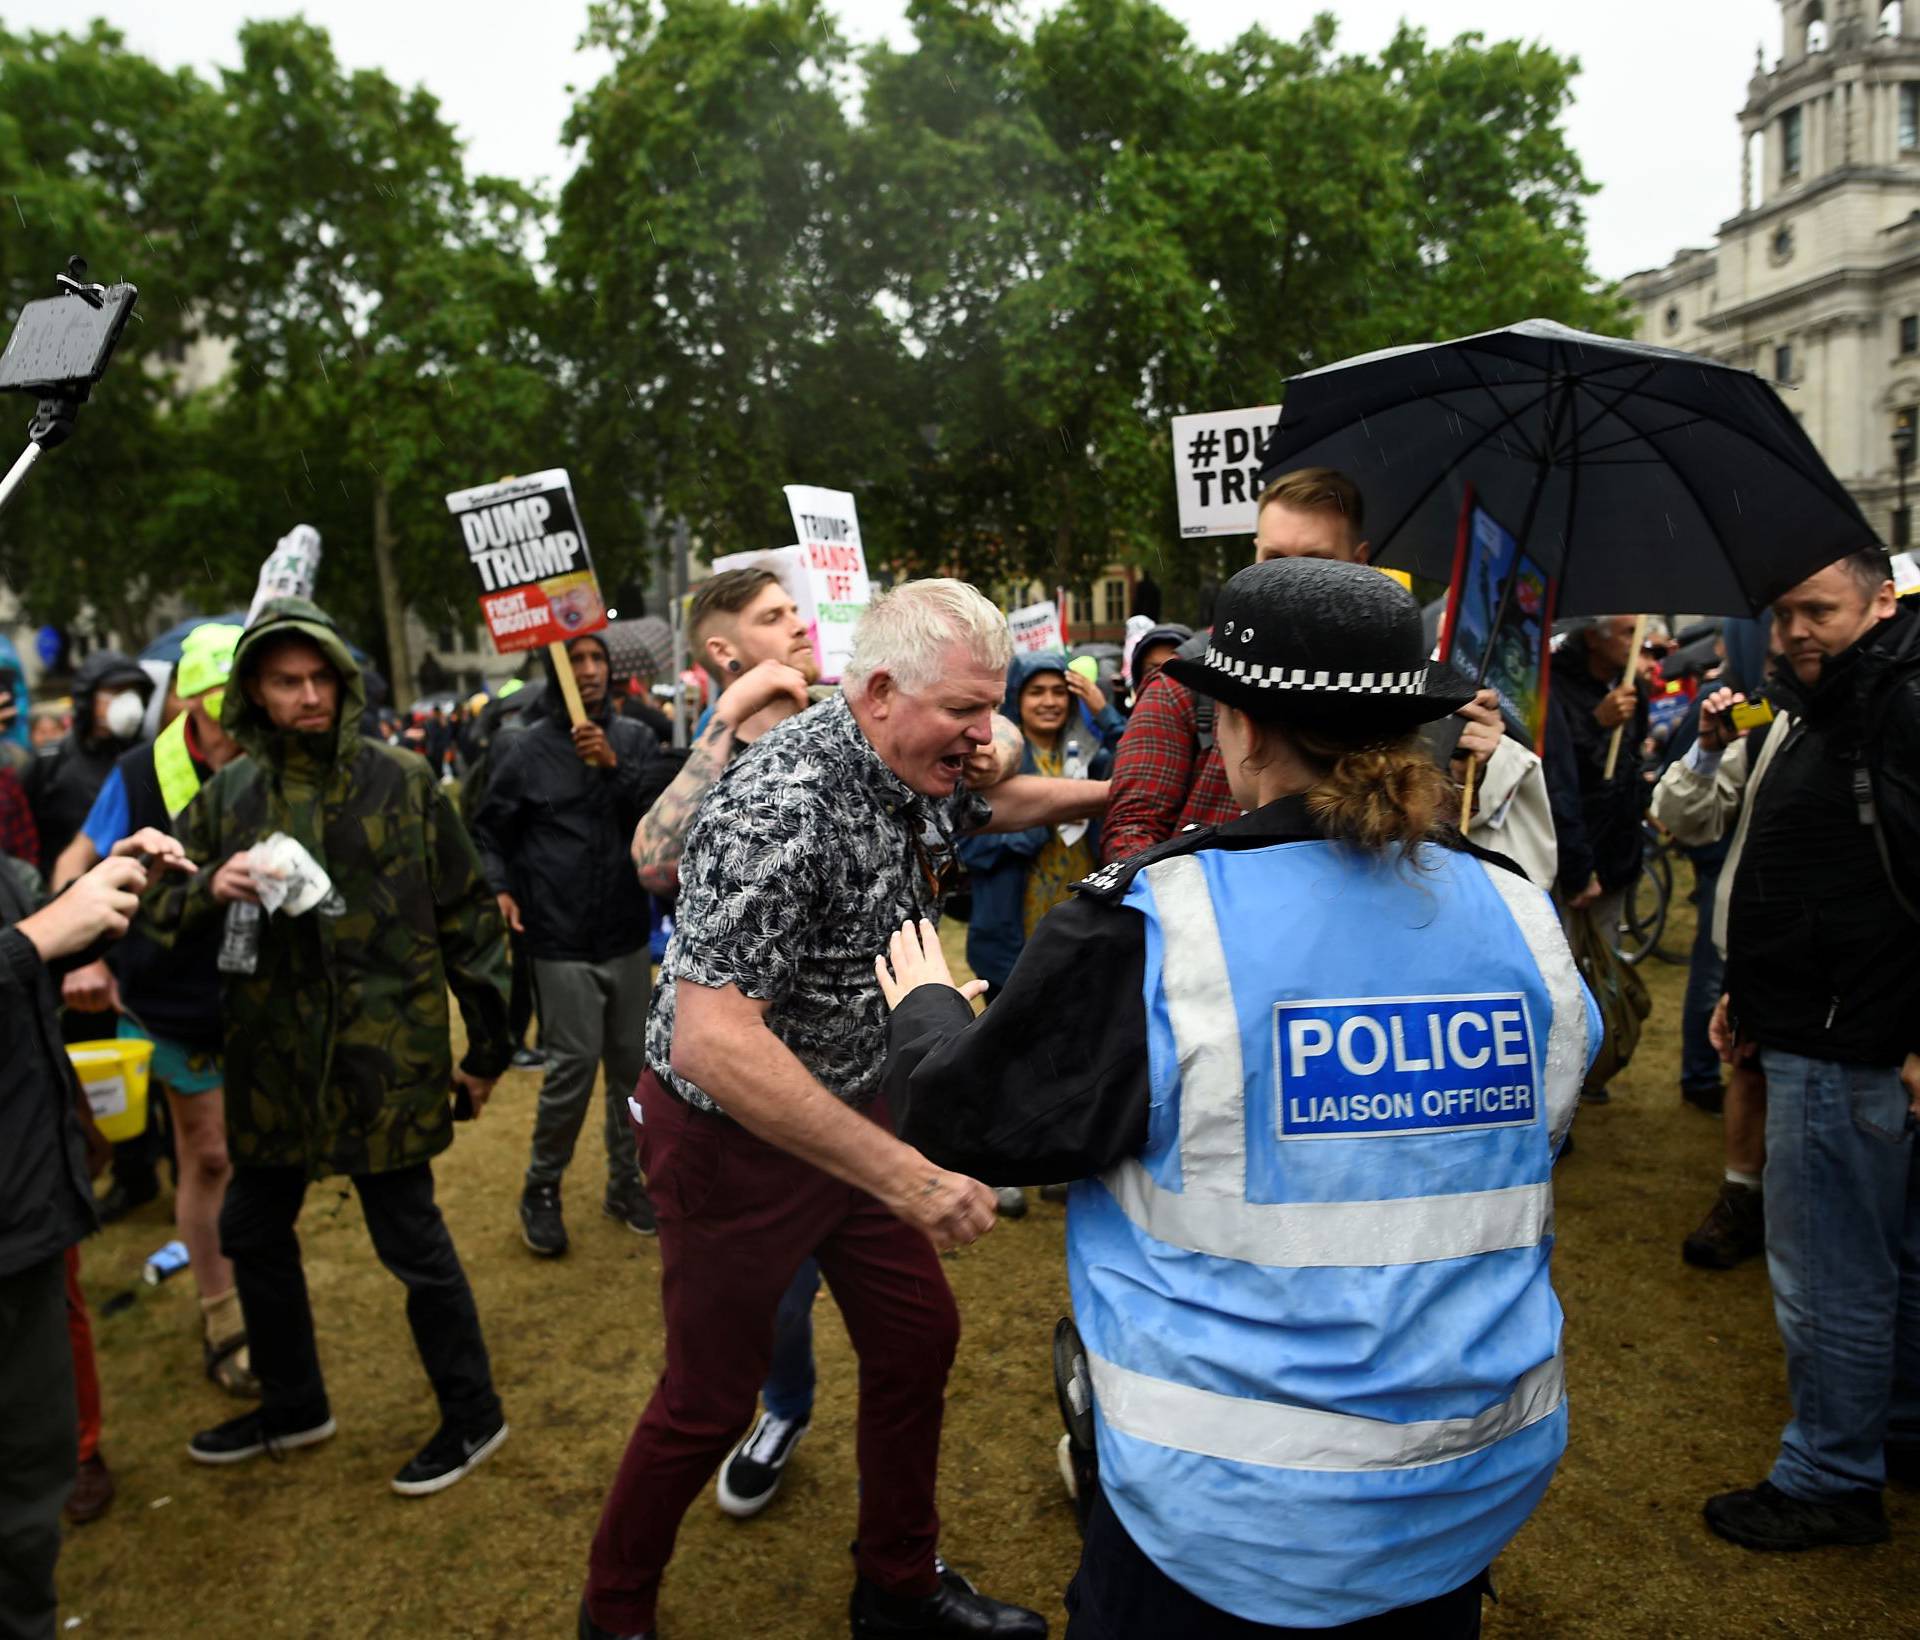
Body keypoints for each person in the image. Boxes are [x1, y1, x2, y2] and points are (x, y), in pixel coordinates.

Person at [877, 557, 1597, 1639]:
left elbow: (969, 1121)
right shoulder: (1521, 919)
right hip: (1462, 1490)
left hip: (1225, 1522)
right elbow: (1522, 1131)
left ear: (1246, 731)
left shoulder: (1158, 924)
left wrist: (929, 1003)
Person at [581, 579, 1111, 1640]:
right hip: (730, 1140)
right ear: (877, 689)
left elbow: (991, 804)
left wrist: (1129, 801)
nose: (983, 732)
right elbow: (711, 1036)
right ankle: (615, 1609)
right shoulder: (778, 806)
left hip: (849, 1108)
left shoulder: (908, 757)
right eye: (965, 709)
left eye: (989, 705)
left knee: (917, 1336)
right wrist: (908, 1173)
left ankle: (897, 1583)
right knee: (709, 1398)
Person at [144, 597, 515, 1498]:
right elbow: (154, 905)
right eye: (285, 681)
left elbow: (472, 919)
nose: (307, 696)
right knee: (250, 1227)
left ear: (341, 685)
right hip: (274, 1069)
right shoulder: (230, 795)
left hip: (380, 1060)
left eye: (320, 678)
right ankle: (295, 1401)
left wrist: (487, 1051)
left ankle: (474, 1415)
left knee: (412, 1243)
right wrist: (209, 887)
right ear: (255, 695)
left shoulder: (401, 780)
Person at [1648, 547, 1920, 1552]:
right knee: (1883, 1259)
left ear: (1881, 600)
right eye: (1784, 611)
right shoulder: (1797, 707)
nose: (1798, 629)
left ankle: (1830, 1476)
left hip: (1850, 1033)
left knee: (1836, 1273)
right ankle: (1891, 1434)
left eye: (1820, 608)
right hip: (1809, 1017)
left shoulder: (1890, 703)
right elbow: (1703, 827)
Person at [48, 624, 259, 1400]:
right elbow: (75, 863)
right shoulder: (142, 771)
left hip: (261, 995)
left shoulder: (279, 765)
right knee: (208, 1153)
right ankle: (222, 1311)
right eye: (219, 696)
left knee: (258, 1152)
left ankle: (262, 1286)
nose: (237, 710)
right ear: (188, 701)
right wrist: (86, 951)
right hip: (166, 997)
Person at [1, 836, 181, 1638]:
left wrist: (107, 891)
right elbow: (28, 943)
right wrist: (35, 941)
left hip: (27, 1210)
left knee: (27, 1499)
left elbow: (32, 935)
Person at [472, 632, 666, 1252]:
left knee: (631, 1071)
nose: (587, 670)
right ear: (553, 673)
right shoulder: (521, 749)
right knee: (572, 1067)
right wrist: (499, 886)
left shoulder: (634, 738)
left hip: (625, 932)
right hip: (556, 937)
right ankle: (542, 1187)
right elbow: (487, 831)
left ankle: (626, 1182)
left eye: (596, 659)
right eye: (574, 660)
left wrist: (615, 765)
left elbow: (661, 817)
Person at [1101, 469, 1373, 863]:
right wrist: (1214, 909)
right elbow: (1130, 836)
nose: (1288, 580)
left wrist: (1483, 772)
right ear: (1255, 553)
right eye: (1274, 558)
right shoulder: (1185, 683)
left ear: (1359, 562)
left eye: (1316, 562)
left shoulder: (1395, 692)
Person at [1544, 615, 1650, 1103]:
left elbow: (1629, 762)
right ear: (1594, 637)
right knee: (1566, 971)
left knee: (1602, 961)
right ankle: (1563, 1074)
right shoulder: (1557, 687)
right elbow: (1565, 776)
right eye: (1628, 633)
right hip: (1578, 855)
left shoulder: (1631, 685)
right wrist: (1597, 723)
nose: (1638, 644)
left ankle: (1595, 1063)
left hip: (1617, 852)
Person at [24, 651, 153, 873]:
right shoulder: (51, 761)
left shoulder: (146, 758)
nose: (128, 701)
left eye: (133, 691)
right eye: (116, 691)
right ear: (88, 697)